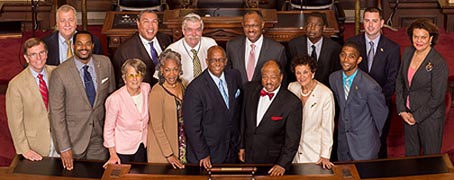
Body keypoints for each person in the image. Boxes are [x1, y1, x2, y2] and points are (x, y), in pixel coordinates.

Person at [49, 31, 116, 170]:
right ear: (73, 46)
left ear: (92, 45)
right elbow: (56, 114)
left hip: (99, 138)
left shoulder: (105, 63)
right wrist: (64, 147)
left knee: (98, 175)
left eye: (87, 44)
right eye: (79, 44)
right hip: (73, 140)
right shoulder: (59, 73)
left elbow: (112, 100)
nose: (83, 47)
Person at [346, 7, 401, 158]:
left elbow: (392, 80)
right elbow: (347, 74)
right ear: (363, 22)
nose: (370, 25)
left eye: (374, 21)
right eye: (367, 20)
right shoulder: (352, 43)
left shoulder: (392, 48)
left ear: (382, 23)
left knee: (379, 142)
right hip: (356, 104)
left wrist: (376, 100)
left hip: (380, 103)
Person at [183, 46, 242, 169]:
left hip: (231, 149)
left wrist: (240, 145)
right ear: (207, 61)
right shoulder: (195, 88)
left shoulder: (234, 76)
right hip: (209, 153)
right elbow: (192, 127)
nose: (217, 63)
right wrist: (203, 154)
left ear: (226, 61)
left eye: (221, 60)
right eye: (213, 60)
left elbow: (237, 113)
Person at [239, 60, 301, 176]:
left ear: (281, 77)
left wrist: (282, 164)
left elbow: (292, 140)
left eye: (273, 77)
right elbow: (244, 120)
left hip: (273, 162)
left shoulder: (292, 103)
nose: (268, 81)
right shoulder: (250, 90)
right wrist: (242, 146)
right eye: (265, 77)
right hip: (249, 156)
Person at [396, 19, 448, 156]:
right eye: (416, 36)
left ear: (431, 38)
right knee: (411, 156)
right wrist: (402, 110)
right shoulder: (408, 52)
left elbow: (437, 98)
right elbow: (400, 81)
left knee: (430, 159)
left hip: (430, 118)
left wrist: (416, 116)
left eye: (423, 37)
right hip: (408, 114)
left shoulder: (438, 62)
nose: (419, 40)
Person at [329, 42, 388, 161]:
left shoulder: (370, 86)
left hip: (364, 144)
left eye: (351, 56)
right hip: (343, 141)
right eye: (343, 55)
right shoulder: (334, 78)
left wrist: (372, 136)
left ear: (359, 59)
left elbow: (381, 115)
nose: (346, 59)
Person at [6, 38, 58, 161]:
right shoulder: (16, 85)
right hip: (35, 146)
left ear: (46, 54)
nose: (38, 58)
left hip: (59, 142)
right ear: (26, 58)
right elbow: (15, 121)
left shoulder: (57, 73)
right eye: (33, 54)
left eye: (41, 53)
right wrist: (24, 149)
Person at [287, 55, 335, 169]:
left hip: (314, 152)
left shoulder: (325, 94)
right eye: (298, 73)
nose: (301, 77)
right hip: (293, 151)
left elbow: (327, 127)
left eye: (305, 72)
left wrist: (325, 155)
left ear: (312, 73)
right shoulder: (292, 88)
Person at [103, 59, 150, 168]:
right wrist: (113, 154)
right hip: (122, 151)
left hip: (142, 146)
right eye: (130, 75)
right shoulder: (114, 99)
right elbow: (108, 129)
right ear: (124, 78)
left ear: (142, 77)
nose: (134, 79)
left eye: (137, 75)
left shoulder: (146, 88)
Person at [147, 49, 186, 169]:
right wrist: (169, 154)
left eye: (175, 69)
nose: (172, 74)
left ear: (179, 69)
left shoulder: (184, 84)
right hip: (163, 149)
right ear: (161, 70)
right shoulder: (157, 92)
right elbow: (156, 126)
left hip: (182, 143)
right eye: (167, 70)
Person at [113, 9, 172, 88]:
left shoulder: (165, 39)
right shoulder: (124, 51)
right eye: (146, 22)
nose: (150, 26)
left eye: (154, 21)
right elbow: (121, 83)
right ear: (138, 24)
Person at [226, 10, 287, 85]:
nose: (251, 30)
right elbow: (228, 75)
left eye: (255, 25)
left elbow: (283, 81)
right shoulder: (232, 46)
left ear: (262, 24)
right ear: (242, 25)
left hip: (264, 96)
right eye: (247, 26)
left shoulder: (277, 50)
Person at [287, 12, 341, 86]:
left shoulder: (334, 48)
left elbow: (336, 74)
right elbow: (289, 73)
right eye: (309, 24)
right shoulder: (294, 45)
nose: (312, 28)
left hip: (325, 90)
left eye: (317, 25)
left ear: (324, 28)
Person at [166, 13, 217, 83]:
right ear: (183, 31)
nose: (194, 34)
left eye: (198, 30)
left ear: (202, 31)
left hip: (208, 88)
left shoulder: (211, 44)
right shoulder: (172, 49)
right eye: (190, 30)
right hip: (182, 90)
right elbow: (161, 76)